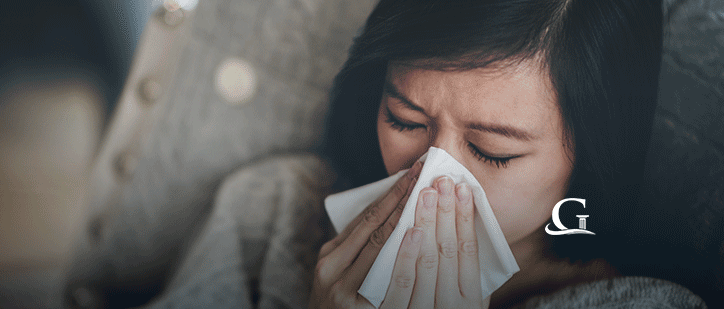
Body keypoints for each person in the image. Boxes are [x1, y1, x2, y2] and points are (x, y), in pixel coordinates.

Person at [99, 0, 707, 308]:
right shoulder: (275, 213)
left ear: (593, 155)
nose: (429, 177)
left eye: (492, 152)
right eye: (405, 119)